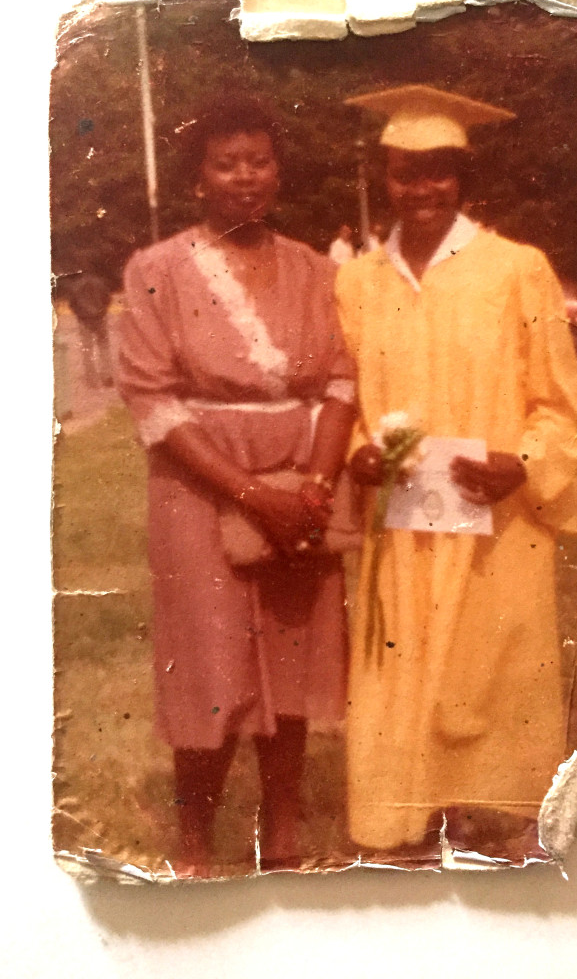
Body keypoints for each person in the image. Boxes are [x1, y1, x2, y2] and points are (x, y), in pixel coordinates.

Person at [335, 85, 577, 860]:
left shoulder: (517, 269)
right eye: (408, 171)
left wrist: (525, 463)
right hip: (405, 522)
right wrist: (357, 452)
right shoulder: (358, 281)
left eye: (440, 171)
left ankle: (498, 818)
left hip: (494, 518)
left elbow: (560, 404)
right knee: (401, 661)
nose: (423, 187)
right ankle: (402, 822)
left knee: (492, 665)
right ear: (386, 176)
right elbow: (346, 396)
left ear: (462, 177)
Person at [117, 96, 357, 876]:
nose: (244, 176)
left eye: (258, 160)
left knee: (289, 664)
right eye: (226, 163)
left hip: (300, 483)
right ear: (199, 179)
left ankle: (281, 836)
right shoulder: (155, 270)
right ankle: (194, 847)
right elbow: (152, 400)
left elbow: (343, 384)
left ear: (277, 172)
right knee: (211, 666)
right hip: (201, 489)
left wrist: (315, 485)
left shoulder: (318, 270)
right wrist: (256, 496)